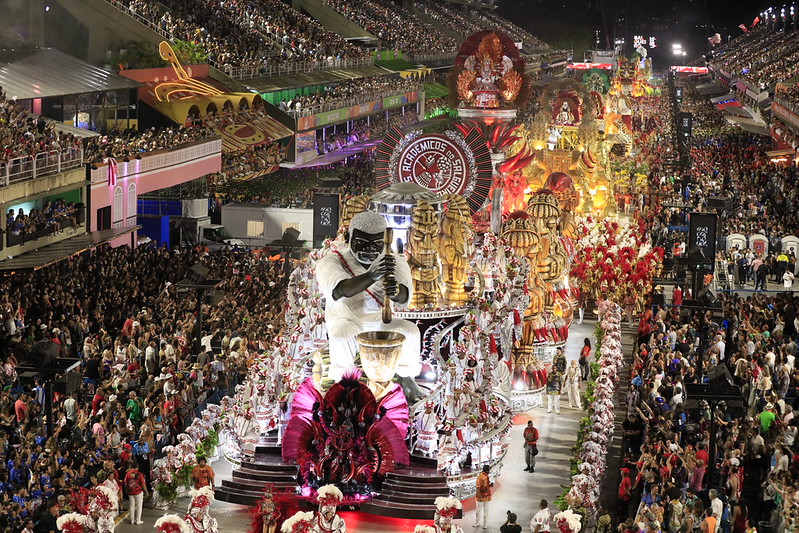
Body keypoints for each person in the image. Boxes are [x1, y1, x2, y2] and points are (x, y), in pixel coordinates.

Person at [315, 212, 420, 386]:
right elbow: (341, 290)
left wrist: (394, 291)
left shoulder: (394, 261)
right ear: (349, 237)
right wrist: (372, 275)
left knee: (410, 331)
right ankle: (344, 383)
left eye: (376, 244)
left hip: (381, 322)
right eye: (362, 243)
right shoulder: (332, 261)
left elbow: (403, 298)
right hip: (347, 321)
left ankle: (407, 379)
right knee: (340, 335)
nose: (370, 249)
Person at [474, 465, 491, 529]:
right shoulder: (481, 477)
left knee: (485, 510)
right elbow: (478, 488)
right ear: (486, 470)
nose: (489, 471)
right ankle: (479, 523)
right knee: (480, 510)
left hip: (486, 496)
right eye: (488, 470)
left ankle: (483, 523)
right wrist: (480, 497)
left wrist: (490, 485)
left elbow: (486, 485)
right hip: (481, 497)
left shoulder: (486, 476)